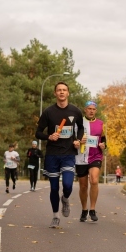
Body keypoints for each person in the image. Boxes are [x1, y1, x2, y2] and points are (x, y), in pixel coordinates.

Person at [35, 81, 84, 228]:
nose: (62, 92)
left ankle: (65, 198)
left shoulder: (75, 111)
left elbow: (80, 128)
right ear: (55, 93)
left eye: (64, 90)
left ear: (68, 93)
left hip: (68, 153)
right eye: (59, 90)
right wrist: (49, 137)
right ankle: (56, 216)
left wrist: (78, 140)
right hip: (52, 155)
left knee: (68, 185)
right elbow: (38, 132)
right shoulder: (49, 112)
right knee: (54, 188)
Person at [75, 101, 106, 222]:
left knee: (94, 180)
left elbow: (103, 139)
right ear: (85, 110)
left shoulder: (100, 123)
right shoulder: (79, 122)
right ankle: (84, 210)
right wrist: (77, 141)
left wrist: (104, 145)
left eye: (93, 109)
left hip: (95, 155)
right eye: (89, 109)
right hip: (81, 157)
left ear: (96, 111)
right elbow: (74, 137)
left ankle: (92, 209)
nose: (91, 111)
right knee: (83, 186)